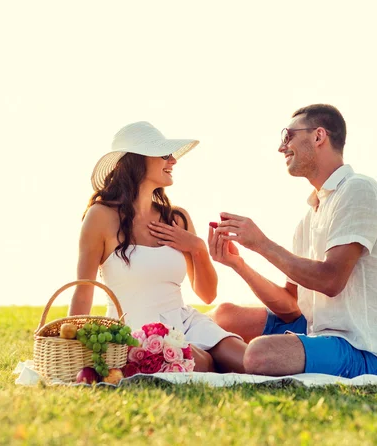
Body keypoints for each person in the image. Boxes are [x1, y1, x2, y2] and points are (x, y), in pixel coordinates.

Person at [208, 104, 377, 378]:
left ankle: (215, 360)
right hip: (317, 332)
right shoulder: (309, 217)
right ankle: (221, 357)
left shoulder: (358, 190)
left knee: (259, 354)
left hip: (363, 349)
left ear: (318, 136)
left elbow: (331, 280)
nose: (282, 147)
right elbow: (291, 305)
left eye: (288, 135)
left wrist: (262, 244)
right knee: (225, 316)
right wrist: (238, 263)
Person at [68, 121, 247, 373]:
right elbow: (84, 291)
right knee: (205, 363)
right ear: (136, 160)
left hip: (185, 320)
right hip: (138, 332)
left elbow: (208, 295)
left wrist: (197, 248)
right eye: (164, 154)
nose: (172, 160)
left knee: (251, 360)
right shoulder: (100, 216)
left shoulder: (177, 218)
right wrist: (70, 343)